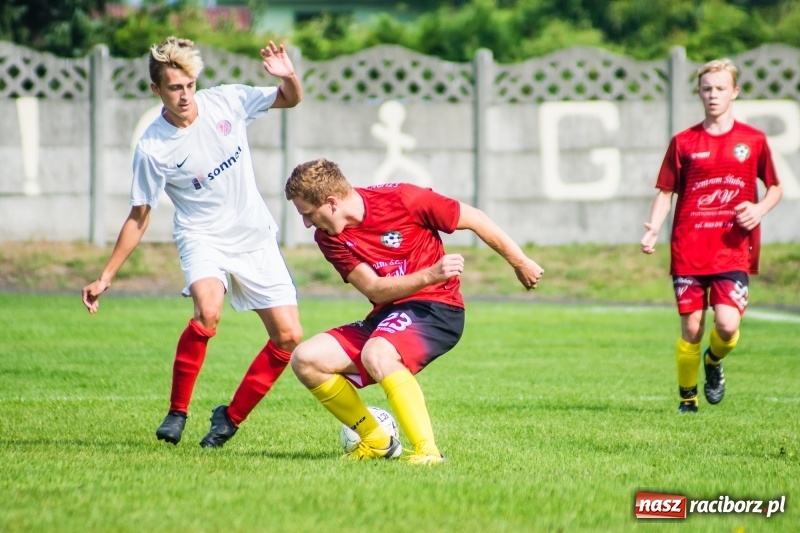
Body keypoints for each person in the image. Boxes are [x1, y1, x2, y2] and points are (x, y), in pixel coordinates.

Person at [81, 37, 304, 447]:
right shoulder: (152, 147)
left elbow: (290, 99)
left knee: (289, 336)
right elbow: (139, 216)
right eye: (173, 88)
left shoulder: (227, 102)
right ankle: (177, 412)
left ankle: (228, 419)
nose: (183, 96)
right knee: (208, 311)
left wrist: (287, 74)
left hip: (253, 236)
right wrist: (106, 276)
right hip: (202, 237)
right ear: (156, 90)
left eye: (188, 86)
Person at [284, 158, 544, 463]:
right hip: (387, 314)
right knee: (306, 359)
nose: (306, 223)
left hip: (436, 308)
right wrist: (430, 273)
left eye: (308, 214)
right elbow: (373, 289)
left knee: (377, 353)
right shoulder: (329, 238)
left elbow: (475, 218)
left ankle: (428, 452)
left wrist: (521, 262)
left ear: (330, 202)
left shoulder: (404, 199)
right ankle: (376, 441)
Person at [641, 58, 782, 414]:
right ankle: (687, 400)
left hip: (733, 249)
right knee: (691, 325)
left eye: (720, 88)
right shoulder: (684, 142)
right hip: (689, 248)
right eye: (706, 89)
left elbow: (775, 187)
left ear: (734, 92)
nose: (713, 95)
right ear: (699, 93)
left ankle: (714, 361)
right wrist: (655, 226)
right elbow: (665, 191)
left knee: (726, 323)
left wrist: (760, 209)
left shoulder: (753, 140)